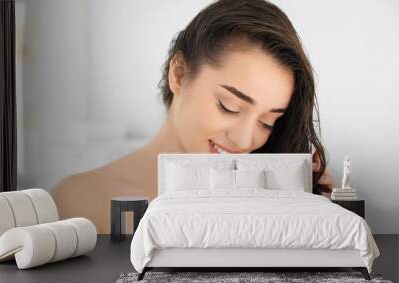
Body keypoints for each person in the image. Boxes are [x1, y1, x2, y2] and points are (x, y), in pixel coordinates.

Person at [53, 0, 335, 234]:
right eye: (229, 106)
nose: (244, 139)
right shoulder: (76, 201)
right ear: (179, 74)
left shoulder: (264, 205)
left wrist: (316, 211)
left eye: (267, 122)